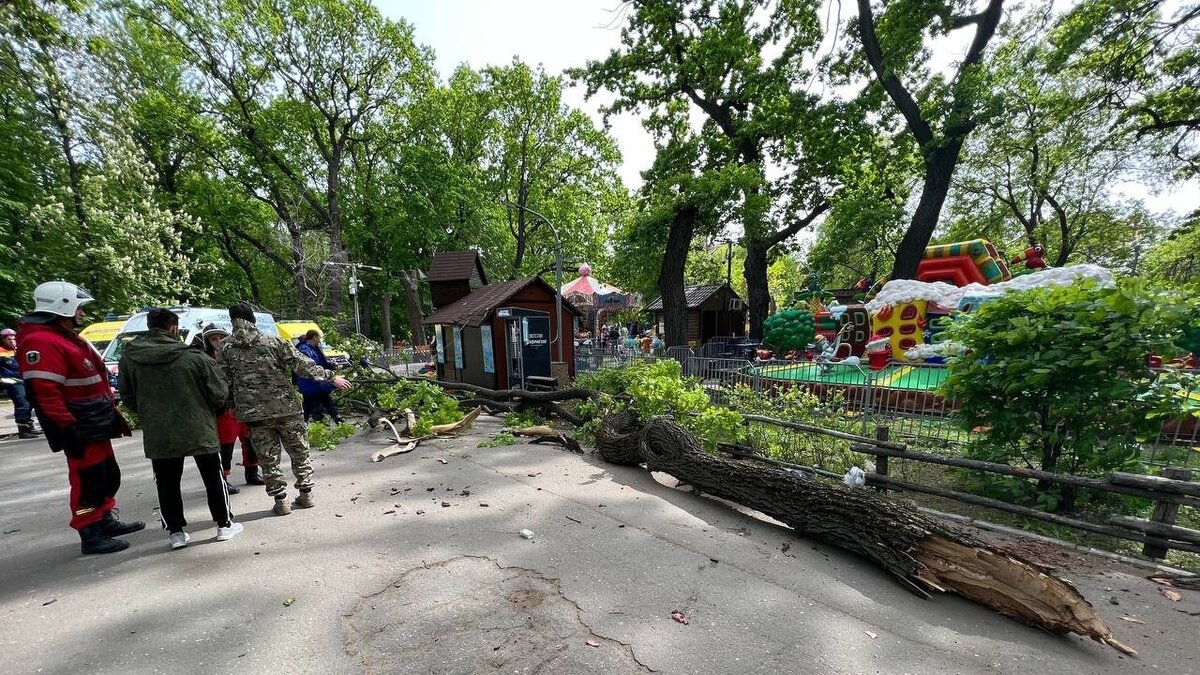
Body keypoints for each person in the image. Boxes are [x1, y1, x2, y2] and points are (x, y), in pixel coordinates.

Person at [16, 281, 143, 555]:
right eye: (79, 309)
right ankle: (90, 532)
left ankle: (105, 519)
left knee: (106, 474)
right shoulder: (42, 341)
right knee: (88, 480)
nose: (82, 315)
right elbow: (44, 392)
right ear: (63, 306)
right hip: (79, 423)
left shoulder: (62, 336)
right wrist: (66, 426)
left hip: (93, 420)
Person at [118, 309, 243, 549]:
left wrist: (148, 414)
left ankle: (176, 532)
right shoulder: (194, 357)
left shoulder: (131, 358)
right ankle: (224, 525)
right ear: (174, 328)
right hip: (199, 426)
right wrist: (208, 411)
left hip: (159, 431)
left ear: (149, 325)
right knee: (213, 476)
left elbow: (127, 396)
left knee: (166, 482)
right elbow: (219, 393)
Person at [217, 302, 349, 516]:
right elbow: (301, 364)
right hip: (286, 407)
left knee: (268, 458)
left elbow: (225, 381)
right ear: (253, 319)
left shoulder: (224, 347)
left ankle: (281, 501)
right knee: (299, 451)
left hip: (254, 413)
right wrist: (331, 377)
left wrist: (232, 406)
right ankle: (306, 495)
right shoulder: (272, 341)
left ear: (232, 320)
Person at [200, 325, 263, 488]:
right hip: (223, 409)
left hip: (244, 403)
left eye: (221, 337)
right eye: (214, 339)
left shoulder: (237, 353)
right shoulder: (204, 359)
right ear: (207, 341)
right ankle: (224, 479)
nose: (218, 341)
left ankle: (252, 472)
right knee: (225, 444)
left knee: (250, 440)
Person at [296, 329, 343, 424]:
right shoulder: (304, 350)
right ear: (314, 337)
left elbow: (321, 363)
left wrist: (331, 365)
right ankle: (306, 423)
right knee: (310, 404)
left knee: (326, 401)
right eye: (319, 337)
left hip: (318, 383)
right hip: (309, 383)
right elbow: (307, 368)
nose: (320, 339)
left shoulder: (315, 348)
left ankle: (338, 420)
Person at [2, 327, 40, 438]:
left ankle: (29, 426)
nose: (12, 341)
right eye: (9, 339)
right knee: (22, 404)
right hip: (11, 381)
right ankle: (23, 429)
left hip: (23, 379)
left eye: (14, 339)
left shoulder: (17, 350)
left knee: (29, 402)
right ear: (3, 340)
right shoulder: (1, 352)